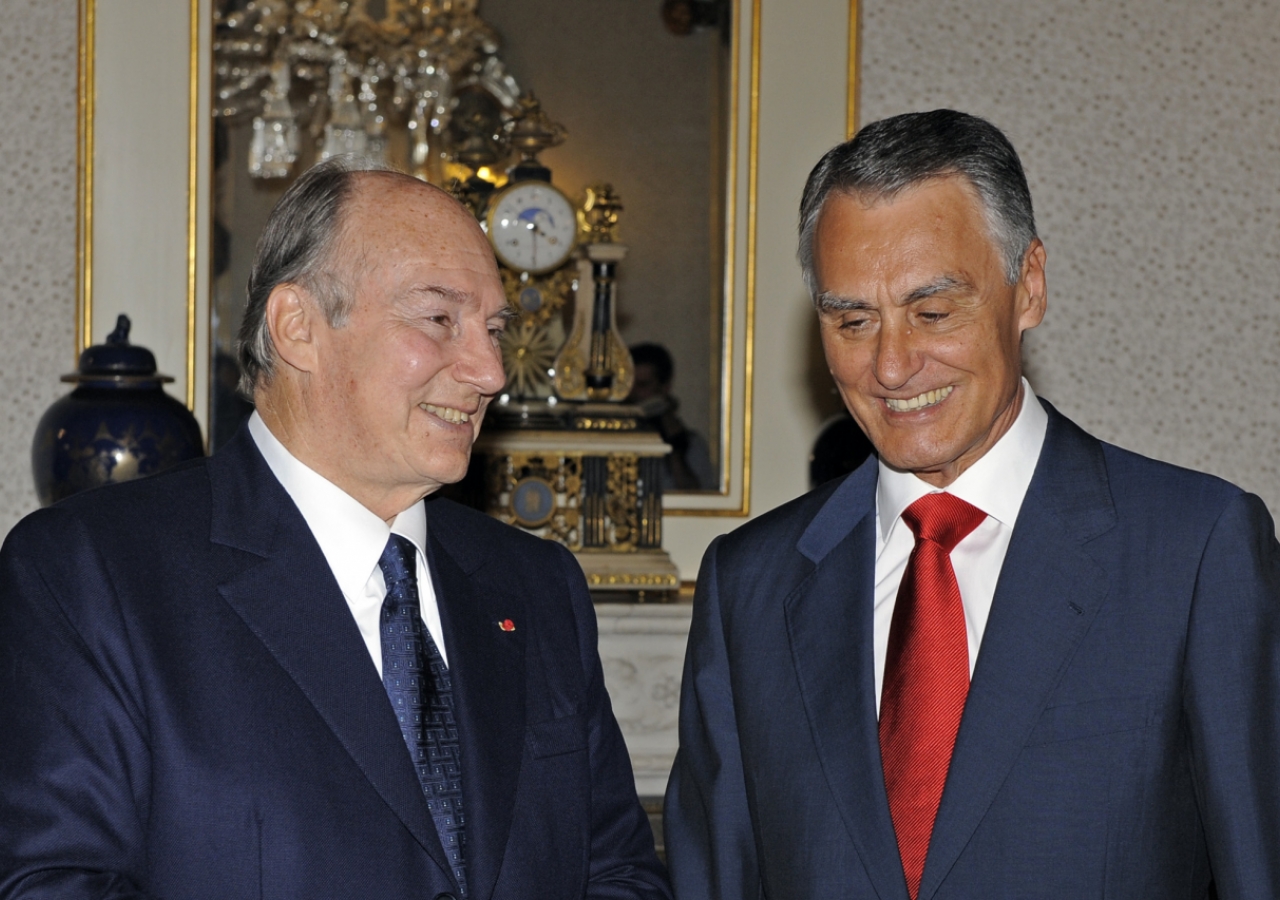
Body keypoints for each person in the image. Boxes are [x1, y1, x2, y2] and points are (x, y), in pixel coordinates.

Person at [0, 158, 671, 900]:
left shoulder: (537, 586)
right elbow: (54, 883)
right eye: (438, 318)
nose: (490, 370)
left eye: (494, 328)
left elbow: (618, 874)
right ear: (298, 328)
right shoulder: (93, 575)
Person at [664, 109, 1280, 899]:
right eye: (853, 321)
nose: (891, 366)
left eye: (932, 313)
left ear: (1029, 288)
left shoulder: (1196, 552)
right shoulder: (747, 585)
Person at [627, 342, 716, 490]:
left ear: (664, 387)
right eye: (628, 385)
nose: (633, 393)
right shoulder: (610, 437)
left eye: (643, 385)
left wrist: (676, 448)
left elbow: (698, 498)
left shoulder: (692, 445)